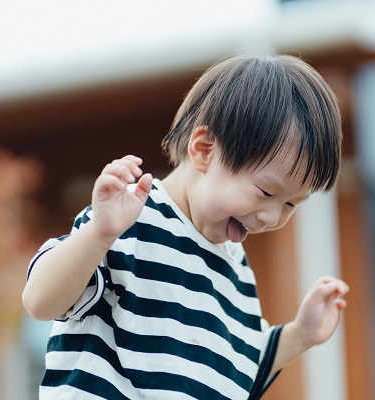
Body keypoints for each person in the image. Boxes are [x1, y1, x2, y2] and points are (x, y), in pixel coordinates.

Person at [22, 54, 349, 400]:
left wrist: (300, 335)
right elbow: (41, 301)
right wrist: (99, 233)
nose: (271, 217)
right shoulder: (130, 218)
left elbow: (234, 368)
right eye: (266, 191)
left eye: (290, 204)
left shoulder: (234, 267)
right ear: (204, 150)